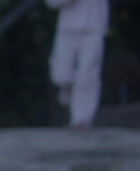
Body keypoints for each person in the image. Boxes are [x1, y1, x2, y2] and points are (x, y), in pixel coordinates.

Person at [46, 0, 110, 129]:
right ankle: (66, 87)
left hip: (93, 29)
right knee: (61, 75)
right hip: (67, 30)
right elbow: (51, 3)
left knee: (87, 75)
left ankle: (81, 119)